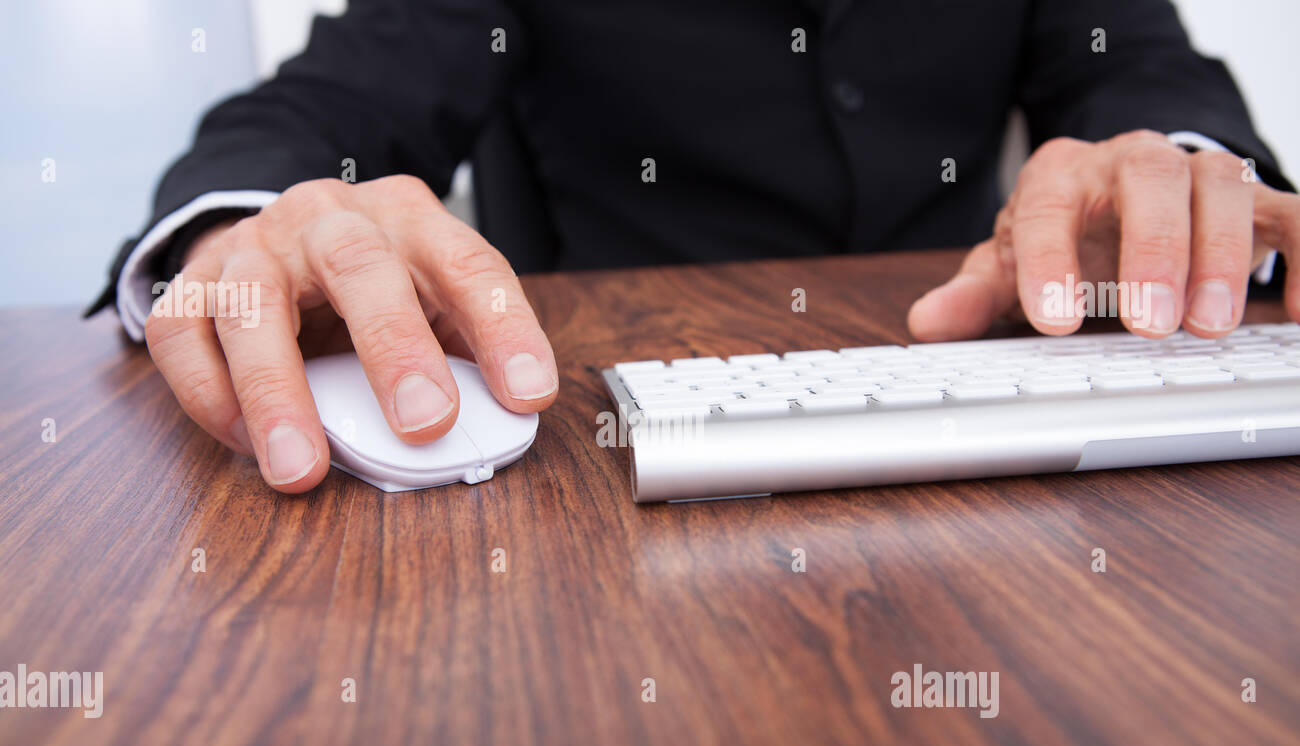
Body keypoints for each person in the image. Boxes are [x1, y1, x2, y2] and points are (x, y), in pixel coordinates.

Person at [92, 0, 1298, 493]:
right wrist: (234, 230)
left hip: (992, 410)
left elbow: (1142, 70)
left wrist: (1183, 178)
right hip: (605, 463)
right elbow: (320, 107)